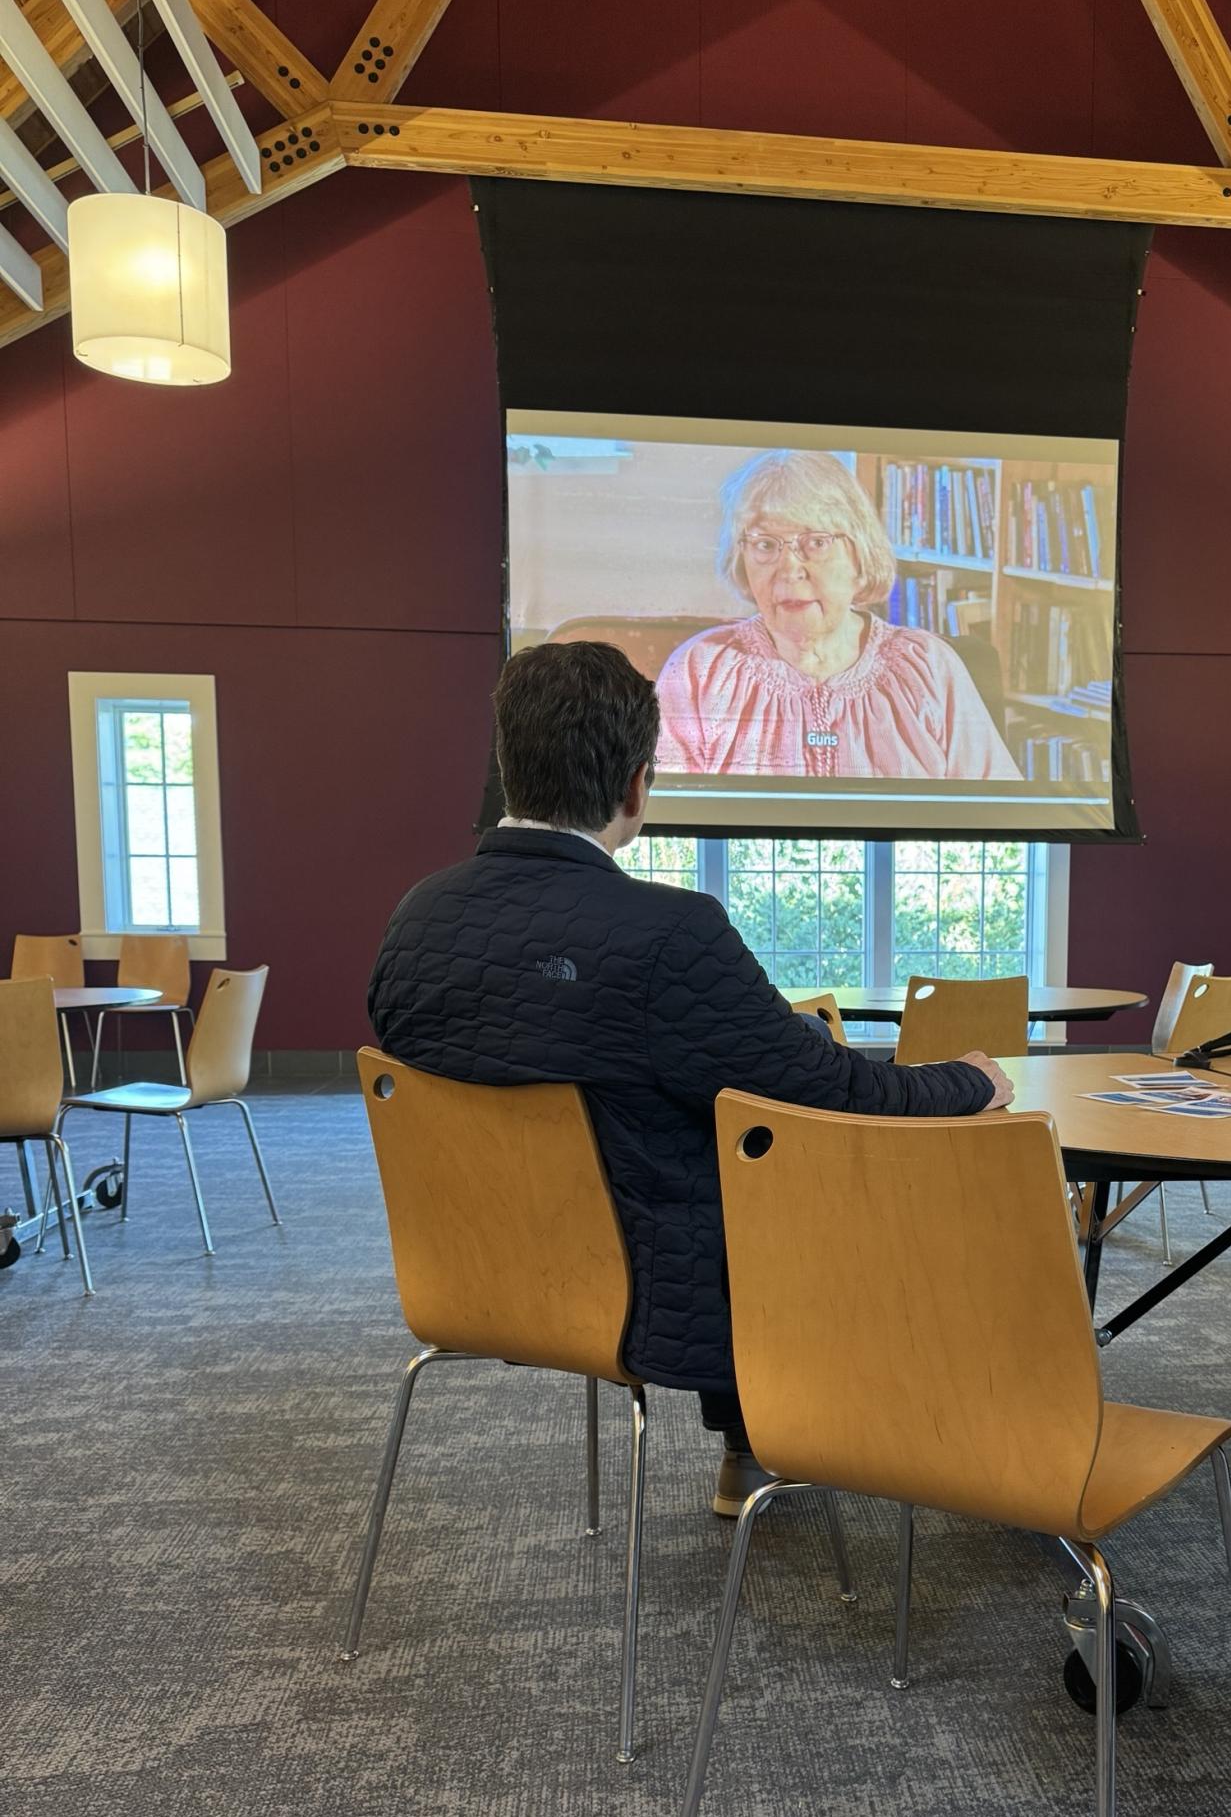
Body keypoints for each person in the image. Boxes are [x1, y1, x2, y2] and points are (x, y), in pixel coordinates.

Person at [369, 641, 1014, 1517]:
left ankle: (756, 1452)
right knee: (782, 1169)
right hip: (647, 1285)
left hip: (473, 1270)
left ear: (508, 771)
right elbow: (831, 1092)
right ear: (637, 787)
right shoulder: (669, 934)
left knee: (678, 1129)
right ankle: (877, 1439)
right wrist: (970, 1083)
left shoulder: (416, 918)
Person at [654, 448, 1020, 781]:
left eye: (815, 543)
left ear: (859, 555)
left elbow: (999, 817)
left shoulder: (930, 668)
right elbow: (660, 818)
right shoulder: (698, 672)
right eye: (765, 545)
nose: (789, 569)